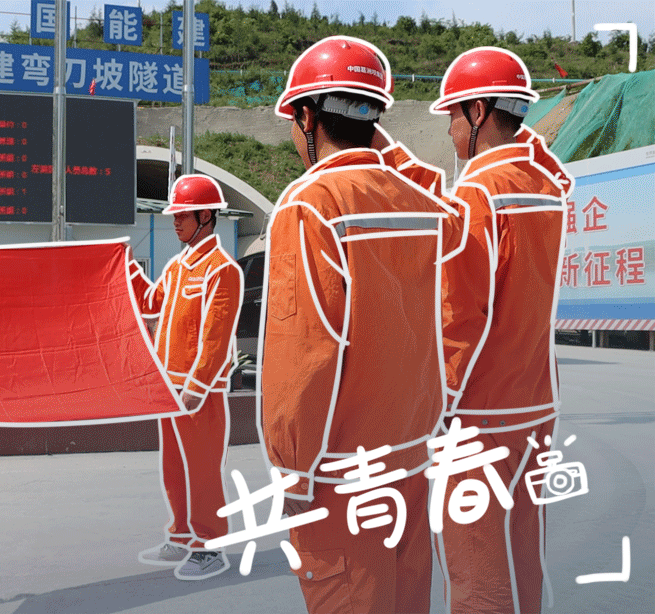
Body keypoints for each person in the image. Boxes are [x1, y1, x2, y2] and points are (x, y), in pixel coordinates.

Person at [260, 36, 465, 613]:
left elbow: (305, 353)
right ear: (374, 118)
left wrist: (294, 471)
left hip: (341, 472)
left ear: (307, 117)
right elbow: (450, 224)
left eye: (295, 119)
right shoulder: (418, 205)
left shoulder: (311, 204)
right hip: (410, 458)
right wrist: (384, 151)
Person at [429, 46, 573, 614]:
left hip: (480, 413)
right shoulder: (544, 186)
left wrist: (436, 407)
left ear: (479, 111)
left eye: (453, 114)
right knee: (521, 553)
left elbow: (459, 315)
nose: (448, 129)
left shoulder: (476, 193)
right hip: (535, 403)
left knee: (477, 569)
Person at [128, 173, 244, 581]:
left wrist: (197, 387)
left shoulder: (222, 270)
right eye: (174, 215)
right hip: (169, 388)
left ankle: (209, 545)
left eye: (183, 215)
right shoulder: (177, 267)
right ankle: (181, 535)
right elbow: (150, 303)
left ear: (206, 217)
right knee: (174, 468)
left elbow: (216, 337)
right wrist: (126, 268)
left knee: (202, 470)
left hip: (198, 393)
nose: (175, 222)